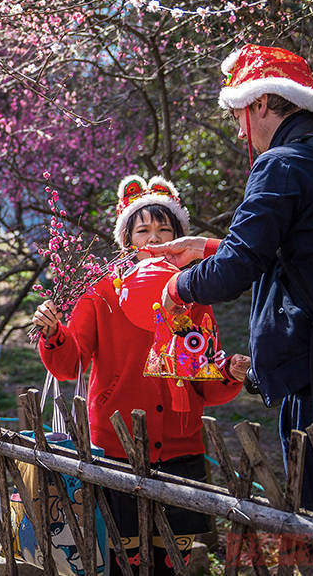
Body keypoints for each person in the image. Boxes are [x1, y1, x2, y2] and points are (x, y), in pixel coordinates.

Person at [149, 43, 313, 576]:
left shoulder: (280, 163)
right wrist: (207, 247)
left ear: (264, 102)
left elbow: (237, 271)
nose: (240, 130)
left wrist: (177, 288)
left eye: (240, 115)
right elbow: (312, 254)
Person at [32, 175, 248, 575]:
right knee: (121, 557)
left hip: (180, 444)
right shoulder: (101, 291)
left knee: (172, 558)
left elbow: (202, 380)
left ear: (179, 241)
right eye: (143, 231)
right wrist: (53, 334)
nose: (153, 240)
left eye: (165, 231)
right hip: (117, 445)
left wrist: (230, 373)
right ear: (126, 239)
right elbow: (69, 365)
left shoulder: (194, 294)